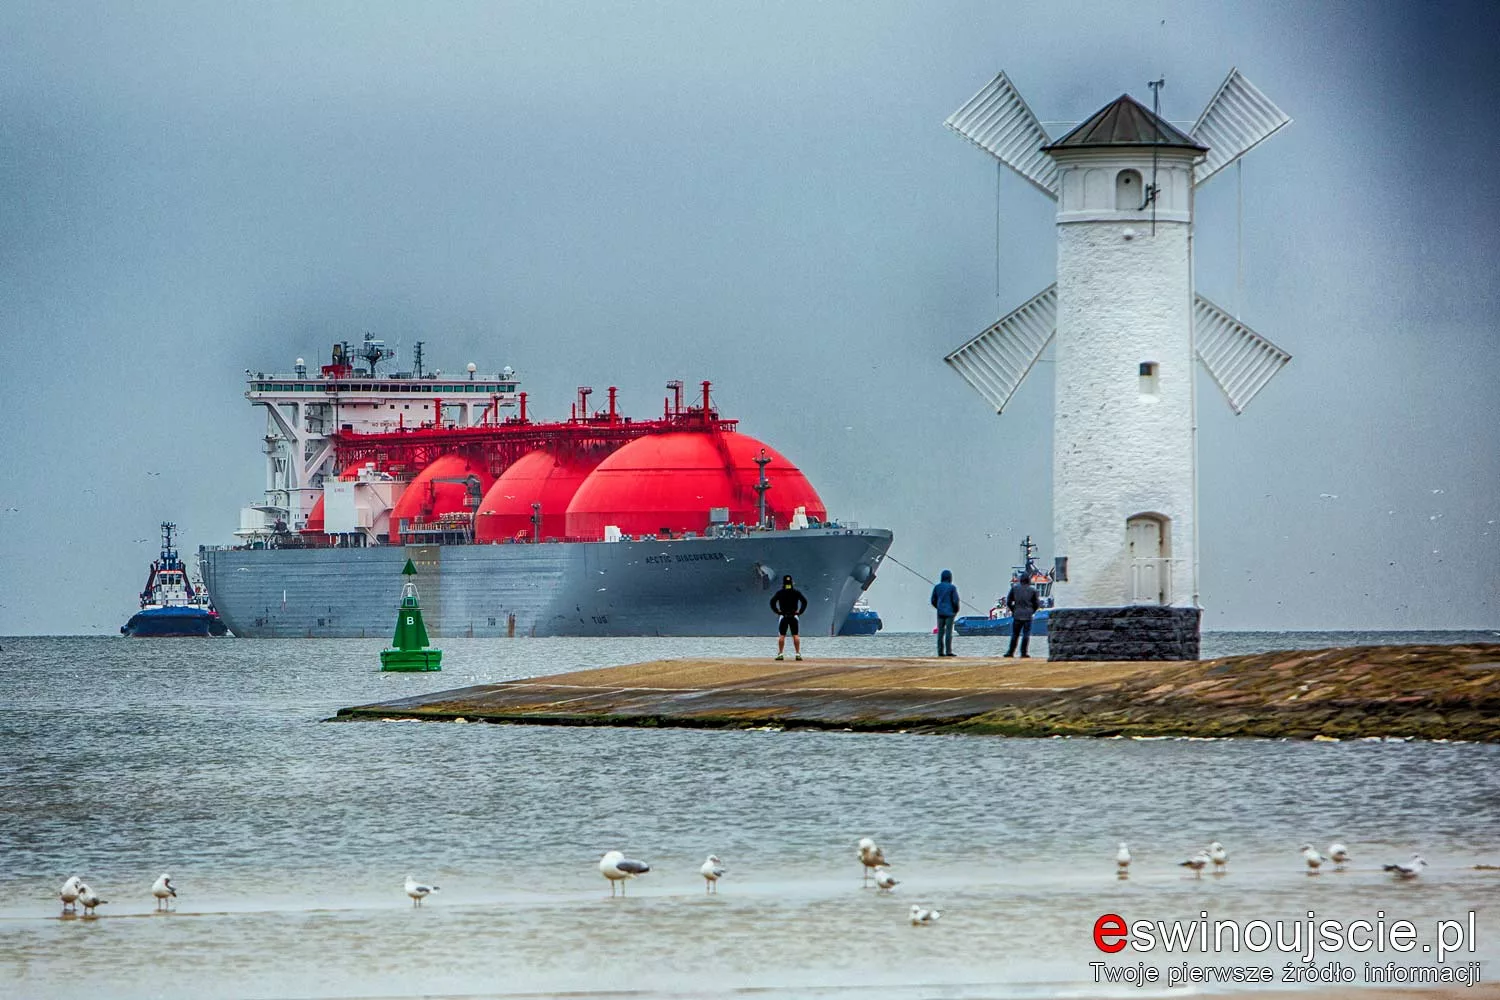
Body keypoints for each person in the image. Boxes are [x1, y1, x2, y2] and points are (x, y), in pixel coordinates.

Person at [770, 574, 807, 660]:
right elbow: (804, 601)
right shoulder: (796, 592)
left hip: (784, 616)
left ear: (783, 583)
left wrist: (777, 611)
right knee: (795, 635)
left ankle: (780, 654)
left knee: (782, 635)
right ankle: (797, 654)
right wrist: (800, 611)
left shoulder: (780, 593)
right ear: (792, 583)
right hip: (794, 616)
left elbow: (772, 602)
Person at [1004, 573, 1040, 658]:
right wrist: (1032, 611)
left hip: (1017, 614)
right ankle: (1024, 653)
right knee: (1026, 634)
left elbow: (1008, 601)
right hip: (1028, 615)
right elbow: (1037, 604)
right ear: (1028, 580)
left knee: (1015, 634)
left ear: (1020, 580)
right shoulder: (1033, 590)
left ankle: (1010, 652)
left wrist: (1013, 609)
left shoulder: (1014, 588)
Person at [930, 569, 960, 657]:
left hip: (940, 613)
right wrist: (955, 610)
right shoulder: (952, 588)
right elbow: (955, 601)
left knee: (940, 633)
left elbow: (933, 600)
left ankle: (940, 652)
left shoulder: (937, 587)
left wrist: (938, 607)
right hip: (950, 613)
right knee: (948, 632)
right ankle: (948, 651)